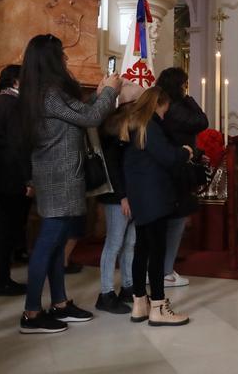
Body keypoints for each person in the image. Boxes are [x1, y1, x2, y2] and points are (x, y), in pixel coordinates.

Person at [16, 34, 121, 334]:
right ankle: (32, 313)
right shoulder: (49, 93)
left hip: (58, 176)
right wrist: (109, 92)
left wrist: (99, 94)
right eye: (60, 54)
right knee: (47, 245)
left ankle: (59, 303)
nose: (64, 59)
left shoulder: (43, 92)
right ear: (50, 59)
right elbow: (90, 118)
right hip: (59, 178)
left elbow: (79, 116)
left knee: (57, 243)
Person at [121, 86, 192, 326]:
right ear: (158, 104)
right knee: (157, 252)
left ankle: (140, 303)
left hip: (140, 196)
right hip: (155, 196)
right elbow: (168, 157)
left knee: (142, 249)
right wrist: (186, 152)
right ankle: (159, 306)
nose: (165, 113)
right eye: (165, 108)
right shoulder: (150, 125)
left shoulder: (133, 124)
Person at [95, 82, 144, 314]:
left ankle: (127, 286)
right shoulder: (115, 126)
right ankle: (105, 293)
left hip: (130, 193)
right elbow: (114, 167)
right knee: (114, 243)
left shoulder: (129, 124)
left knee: (130, 243)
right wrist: (124, 197)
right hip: (118, 195)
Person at [157, 67, 208, 288]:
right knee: (175, 221)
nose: (185, 88)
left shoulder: (166, 105)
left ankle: (163, 269)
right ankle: (165, 271)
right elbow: (202, 121)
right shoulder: (176, 107)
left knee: (171, 220)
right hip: (177, 168)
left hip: (171, 166)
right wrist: (191, 99)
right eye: (184, 85)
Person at [0, 65, 32, 297]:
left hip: (1, 174)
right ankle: (1, 281)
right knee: (7, 230)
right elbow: (17, 146)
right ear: (16, 82)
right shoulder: (13, 105)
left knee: (6, 229)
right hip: (11, 176)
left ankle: (0, 279)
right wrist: (28, 180)